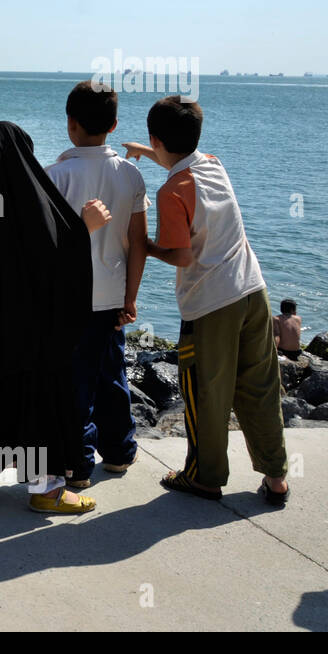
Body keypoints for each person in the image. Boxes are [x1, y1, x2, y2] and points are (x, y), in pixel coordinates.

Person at [124, 96, 290, 506]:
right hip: (253, 292)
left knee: (205, 394)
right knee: (259, 388)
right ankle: (276, 477)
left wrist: (145, 246)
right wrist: (146, 151)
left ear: (156, 137)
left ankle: (204, 478)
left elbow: (181, 255)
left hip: (212, 306)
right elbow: (182, 164)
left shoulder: (170, 192)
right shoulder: (214, 164)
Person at [0, 121, 111, 514]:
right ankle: (45, 490)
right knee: (38, 405)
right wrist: (85, 227)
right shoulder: (33, 203)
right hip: (32, 336)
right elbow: (56, 257)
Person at [45, 81, 148, 488]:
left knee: (75, 385)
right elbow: (137, 243)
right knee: (111, 374)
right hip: (114, 295)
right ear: (115, 124)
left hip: (70, 300)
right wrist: (131, 298)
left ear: (71, 124)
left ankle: (79, 466)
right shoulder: (131, 174)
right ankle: (120, 452)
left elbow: (49, 245)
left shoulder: (54, 175)